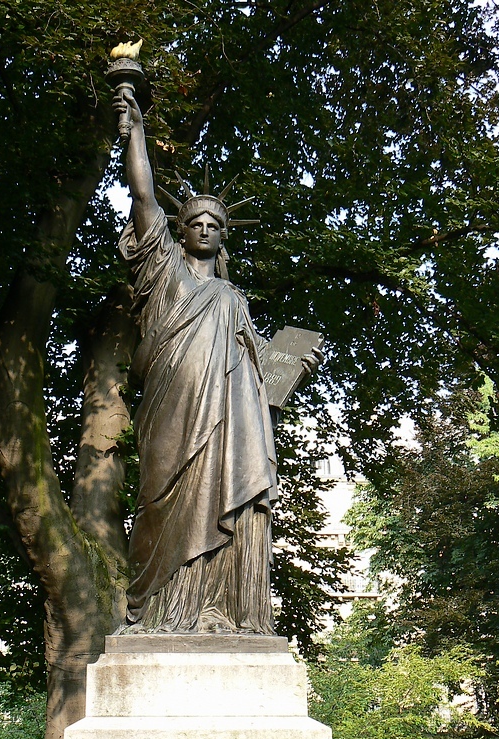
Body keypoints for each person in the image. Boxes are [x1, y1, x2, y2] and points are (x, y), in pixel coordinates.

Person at [114, 89, 320, 634]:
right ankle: (161, 607)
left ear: (223, 236)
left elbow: (259, 373)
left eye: (214, 224)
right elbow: (143, 195)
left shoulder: (233, 299)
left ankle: (218, 609)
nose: (204, 228)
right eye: (195, 222)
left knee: (232, 495)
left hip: (232, 423)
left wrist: (290, 370)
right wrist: (135, 129)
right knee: (161, 500)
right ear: (179, 231)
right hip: (172, 411)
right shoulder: (163, 273)